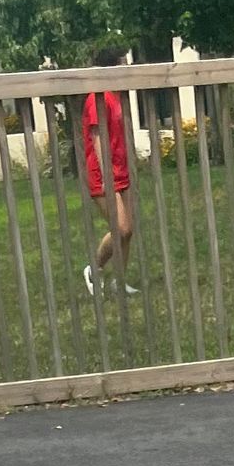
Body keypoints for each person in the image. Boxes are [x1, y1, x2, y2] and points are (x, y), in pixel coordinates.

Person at [81, 54, 139, 298]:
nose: (126, 67)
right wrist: (106, 172)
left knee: (129, 230)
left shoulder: (116, 96)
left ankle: (119, 283)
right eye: (122, 63)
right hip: (103, 174)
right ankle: (94, 269)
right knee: (121, 228)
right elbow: (96, 137)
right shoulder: (98, 98)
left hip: (120, 171)